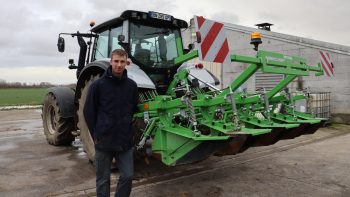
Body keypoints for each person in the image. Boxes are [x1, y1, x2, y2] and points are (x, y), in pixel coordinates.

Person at [84, 49, 138, 197]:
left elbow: (133, 108)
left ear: (126, 63)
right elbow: (88, 112)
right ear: (111, 62)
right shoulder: (98, 86)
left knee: (127, 175)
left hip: (124, 140)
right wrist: (96, 134)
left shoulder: (132, 86)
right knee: (103, 180)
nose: (119, 65)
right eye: (116, 61)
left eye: (122, 62)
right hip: (103, 140)